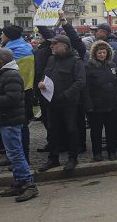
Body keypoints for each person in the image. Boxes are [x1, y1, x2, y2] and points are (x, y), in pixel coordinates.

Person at [0, 48, 39, 202]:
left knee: (15, 153)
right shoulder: (3, 73)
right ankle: (19, 183)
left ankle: (29, 185)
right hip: (6, 119)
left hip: (11, 120)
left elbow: (11, 99)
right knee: (13, 153)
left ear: (2, 59)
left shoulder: (11, 75)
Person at [37, 35, 86, 172]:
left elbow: (80, 82)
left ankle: (73, 158)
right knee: (53, 130)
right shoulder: (51, 59)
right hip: (51, 103)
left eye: (55, 44)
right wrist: (41, 83)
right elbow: (46, 76)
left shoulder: (76, 61)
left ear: (64, 45)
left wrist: (65, 95)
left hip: (69, 103)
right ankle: (53, 159)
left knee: (71, 130)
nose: (51, 46)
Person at [83, 40, 117, 162]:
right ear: (94, 54)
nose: (102, 55)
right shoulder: (88, 67)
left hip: (112, 104)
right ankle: (97, 153)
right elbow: (85, 88)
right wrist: (88, 104)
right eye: (99, 53)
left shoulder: (112, 65)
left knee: (111, 130)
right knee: (96, 131)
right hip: (96, 105)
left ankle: (111, 152)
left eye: (104, 52)